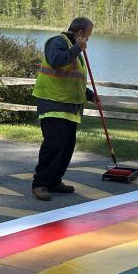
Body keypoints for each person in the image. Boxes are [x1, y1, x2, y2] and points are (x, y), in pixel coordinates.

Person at [30, 17, 94, 201]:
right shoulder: (57, 42)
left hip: (69, 107)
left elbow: (72, 78)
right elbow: (57, 61)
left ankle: (54, 180)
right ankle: (40, 183)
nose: (88, 41)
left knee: (66, 147)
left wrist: (89, 95)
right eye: (87, 36)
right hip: (53, 104)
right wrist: (77, 48)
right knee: (53, 145)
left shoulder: (75, 50)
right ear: (80, 33)